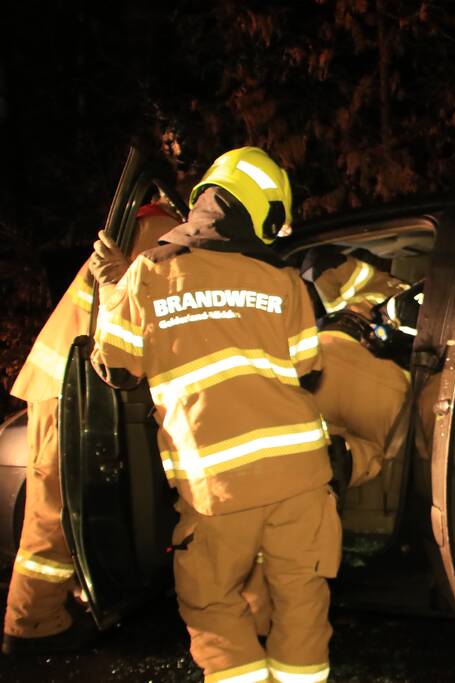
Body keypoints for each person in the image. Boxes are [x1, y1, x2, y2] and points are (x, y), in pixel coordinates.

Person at [89, 147, 340, 683]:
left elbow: (116, 368)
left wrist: (112, 291)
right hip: (301, 476)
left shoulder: (147, 276)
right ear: (262, 214)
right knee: (301, 597)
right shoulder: (284, 281)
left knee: (212, 600)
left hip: (218, 487)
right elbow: (308, 368)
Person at [2, 202, 178, 656]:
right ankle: (32, 625)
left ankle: (78, 596)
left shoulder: (151, 225)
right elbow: (151, 308)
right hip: (69, 384)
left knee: (70, 500)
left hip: (74, 376)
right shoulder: (163, 232)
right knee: (53, 505)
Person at [302, 248, 414, 490]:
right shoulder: (441, 308)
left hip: (321, 366)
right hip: (388, 392)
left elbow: (320, 261)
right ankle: (339, 469)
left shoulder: (374, 283)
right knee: (374, 459)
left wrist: (333, 304)